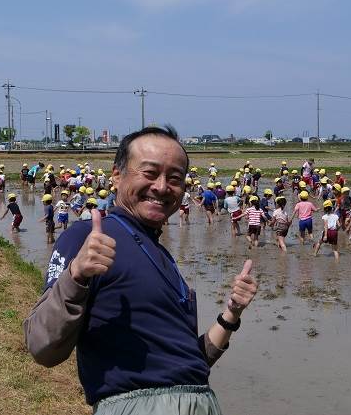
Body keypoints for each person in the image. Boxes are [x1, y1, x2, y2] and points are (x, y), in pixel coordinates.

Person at [24, 126, 258, 414]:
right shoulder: (88, 237)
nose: (161, 186)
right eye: (149, 173)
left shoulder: (161, 255)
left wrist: (231, 314)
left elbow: (187, 366)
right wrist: (76, 274)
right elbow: (41, 346)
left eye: (174, 178)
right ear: (117, 175)